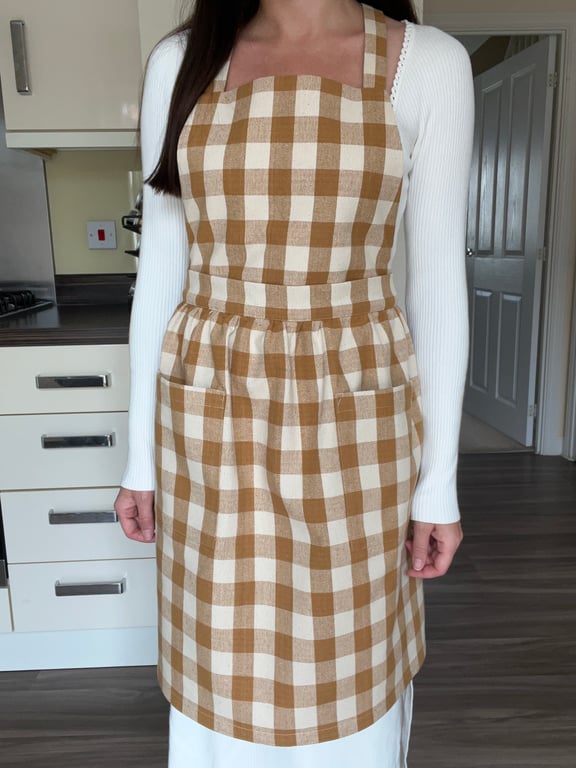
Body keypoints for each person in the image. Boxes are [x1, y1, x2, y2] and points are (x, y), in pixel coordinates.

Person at [114, 0, 474, 765]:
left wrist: (437, 485)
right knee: (220, 655)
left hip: (357, 421)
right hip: (208, 417)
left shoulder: (430, 64)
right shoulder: (180, 62)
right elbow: (163, 270)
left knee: (351, 660)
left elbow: (439, 278)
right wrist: (139, 460)